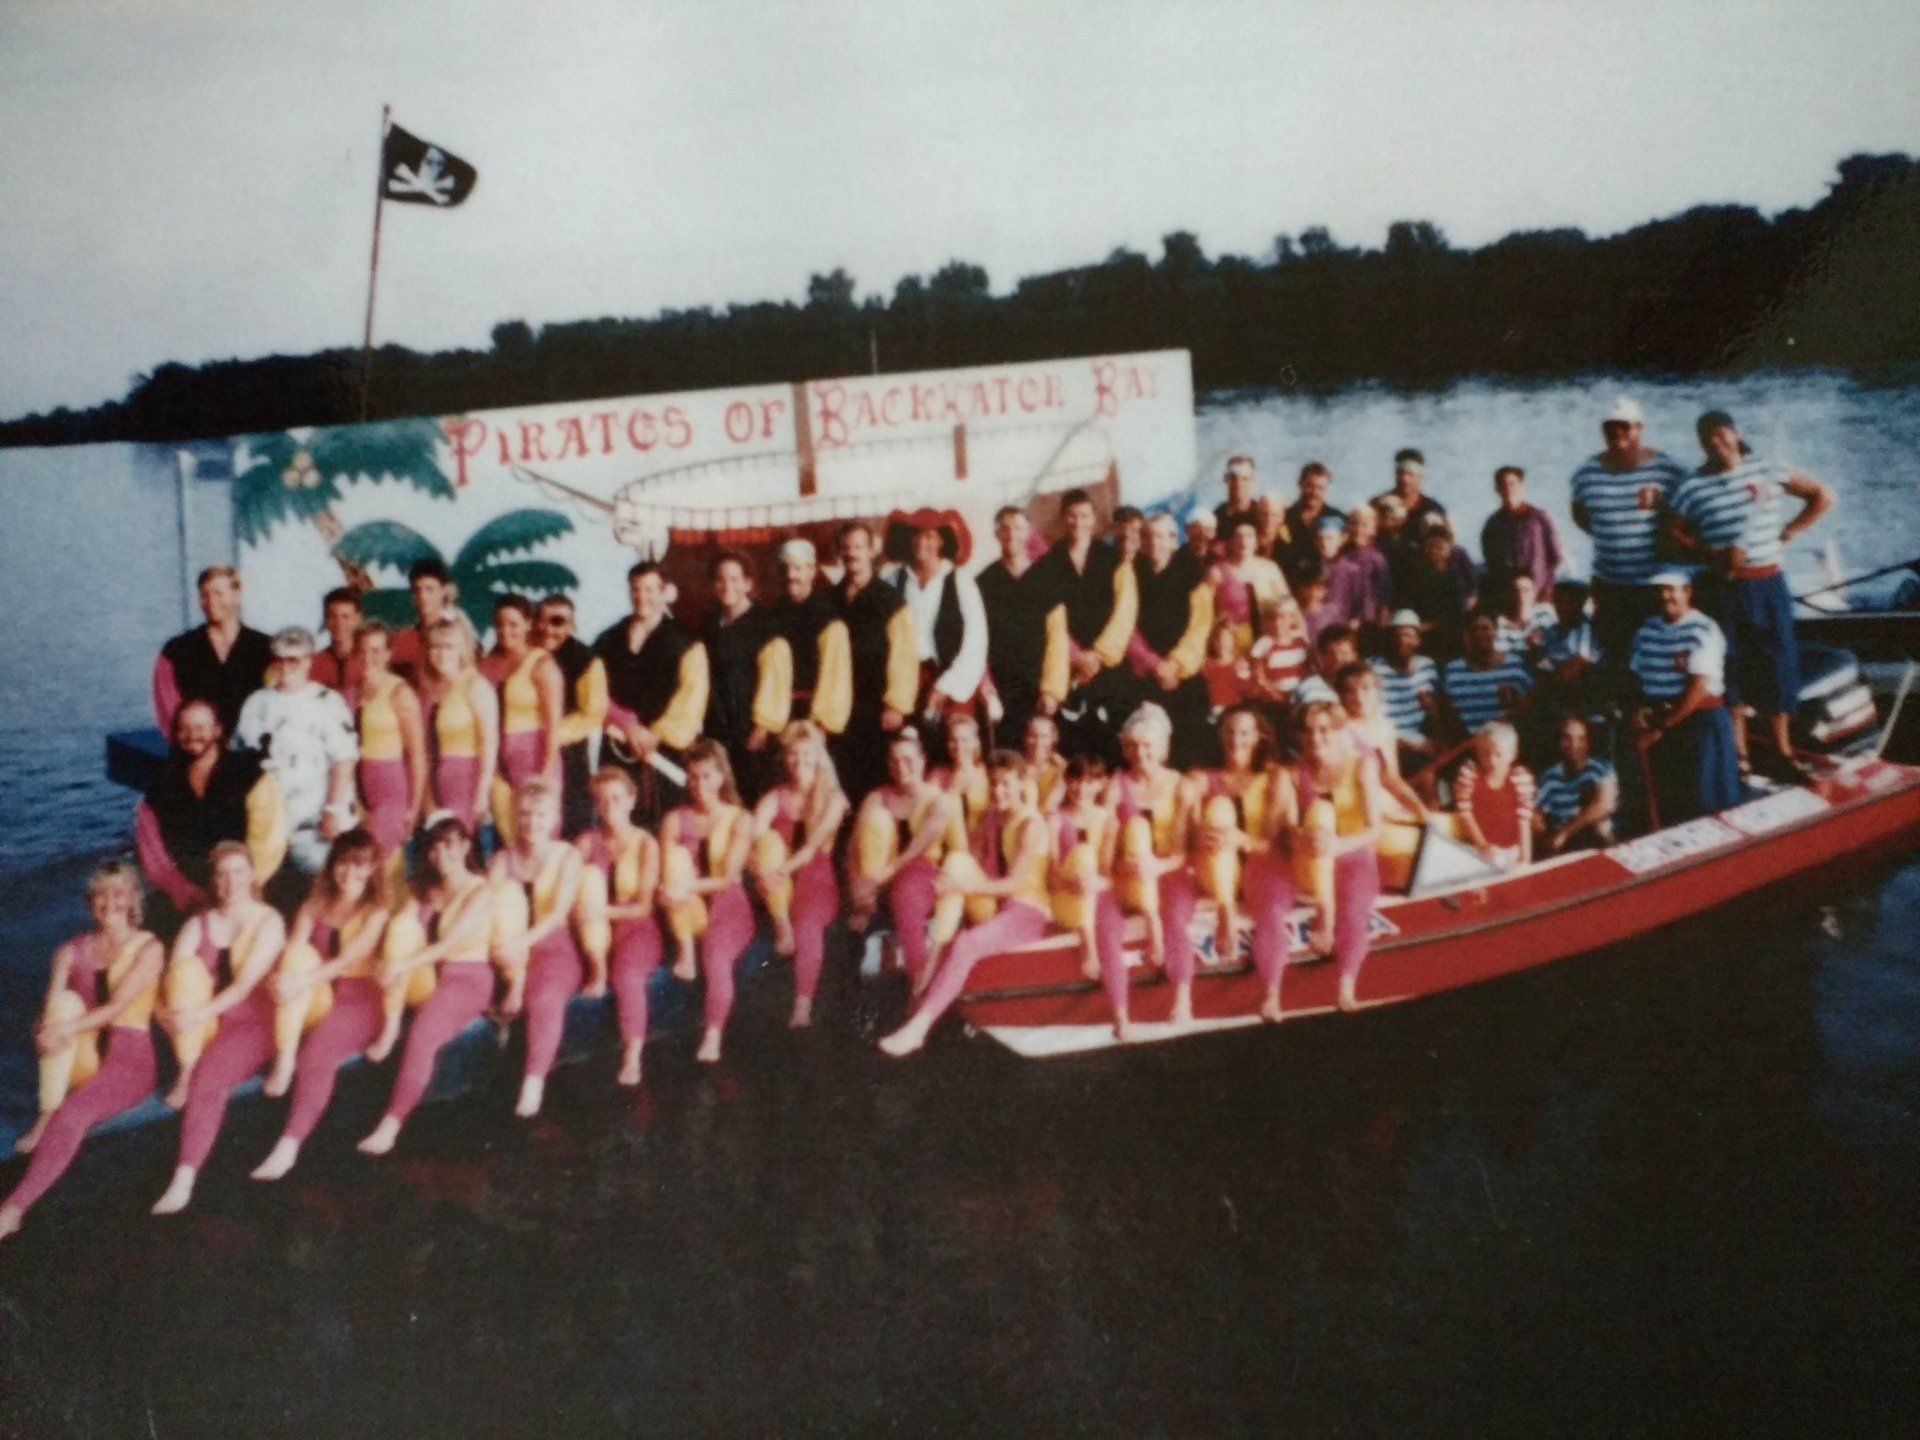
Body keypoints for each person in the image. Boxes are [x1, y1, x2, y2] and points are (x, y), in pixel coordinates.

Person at [0, 862, 165, 1241]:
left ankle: (13, 1208)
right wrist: (42, 1032)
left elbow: (118, 1007)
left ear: (133, 899)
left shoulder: (149, 948)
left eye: (118, 893)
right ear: (90, 902)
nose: (110, 902)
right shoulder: (70, 950)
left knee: (74, 1114)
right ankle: (46, 1113)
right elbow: (48, 1010)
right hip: (83, 1056)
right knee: (62, 1005)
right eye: (101, 894)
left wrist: (62, 1030)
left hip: (130, 1060)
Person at [1668, 410, 1835, 777]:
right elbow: (1672, 532)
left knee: (1778, 663)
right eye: (1706, 437)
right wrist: (1709, 552)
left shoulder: (1768, 468)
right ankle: (1740, 755)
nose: (1716, 442)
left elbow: (1822, 496)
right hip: (1722, 587)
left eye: (1720, 433)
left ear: (1735, 433)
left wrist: (1789, 532)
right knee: (1730, 668)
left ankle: (1782, 750)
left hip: (1768, 582)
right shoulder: (1692, 486)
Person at [878, 751, 1057, 1057]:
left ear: (1020, 786)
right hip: (995, 904)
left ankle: (919, 1026)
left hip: (1027, 911)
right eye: (993, 784)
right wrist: (950, 883)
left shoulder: (1031, 825)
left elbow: (1014, 883)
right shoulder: (990, 817)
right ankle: (934, 955)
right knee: (957, 860)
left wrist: (964, 887)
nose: (997, 791)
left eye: (1005, 785)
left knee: (966, 944)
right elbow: (969, 863)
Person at [150, 842, 289, 1214]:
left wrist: (195, 1017)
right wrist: (167, 1015)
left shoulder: (269, 920)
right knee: (183, 976)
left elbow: (244, 987)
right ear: (213, 880)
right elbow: (174, 979)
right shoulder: (199, 923)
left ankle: (184, 1178)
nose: (231, 881)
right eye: (222, 874)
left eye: (239, 872)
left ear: (253, 875)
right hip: (207, 1021)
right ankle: (184, 1068)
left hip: (253, 1022)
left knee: (210, 1078)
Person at [248, 831, 392, 1181]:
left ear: (373, 869)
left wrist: (299, 982)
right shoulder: (315, 903)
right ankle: (283, 1062)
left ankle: (288, 1147)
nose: (349, 872)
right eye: (343, 862)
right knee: (291, 962)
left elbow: (349, 958)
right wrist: (283, 978)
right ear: (332, 864)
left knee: (317, 1055)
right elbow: (294, 950)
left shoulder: (377, 910)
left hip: (358, 998)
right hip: (317, 991)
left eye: (360, 865)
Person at [358, 815, 504, 1156]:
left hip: (465, 977)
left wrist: (401, 965)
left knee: (423, 1034)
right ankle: (390, 1025)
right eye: (434, 847)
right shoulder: (421, 888)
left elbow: (451, 942)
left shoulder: (481, 890)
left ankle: (390, 1125)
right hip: (421, 975)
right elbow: (401, 932)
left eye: (449, 845)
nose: (441, 855)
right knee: (400, 926)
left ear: (466, 847)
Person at [488, 779, 589, 1117]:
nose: (533, 822)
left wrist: (522, 944)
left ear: (554, 818)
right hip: (507, 952)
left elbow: (559, 913)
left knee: (544, 999)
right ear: (516, 818)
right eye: (526, 814)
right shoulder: (502, 859)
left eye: (541, 815)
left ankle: (533, 1084)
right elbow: (489, 911)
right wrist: (508, 952)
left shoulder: (567, 855)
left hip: (552, 947)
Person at [1569, 396, 1693, 669]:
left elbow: (1694, 505)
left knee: (1655, 651)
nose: (1618, 434)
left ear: (1639, 428)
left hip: (1653, 584)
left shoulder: (1669, 469)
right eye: (1611, 428)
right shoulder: (1586, 473)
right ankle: (1619, 707)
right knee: (1614, 651)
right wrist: (1612, 534)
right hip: (1609, 581)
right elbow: (1580, 515)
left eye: (1625, 427)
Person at [134, 698, 287, 918]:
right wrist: (185, 893)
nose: (191, 735)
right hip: (188, 896)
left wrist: (246, 886)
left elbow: (268, 840)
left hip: (249, 888)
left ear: (217, 730)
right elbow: (152, 849)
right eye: (183, 728)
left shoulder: (249, 774)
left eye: (200, 727)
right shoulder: (162, 786)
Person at [233, 626, 359, 884]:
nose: (286, 666)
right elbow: (239, 756)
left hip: (316, 820)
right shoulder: (256, 703)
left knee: (322, 884)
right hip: (272, 820)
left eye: (294, 659)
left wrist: (332, 811)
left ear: (309, 661)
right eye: (279, 659)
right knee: (268, 886)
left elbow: (344, 758)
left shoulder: (326, 701)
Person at [658, 740, 754, 1064]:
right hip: (687, 909)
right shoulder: (675, 819)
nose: (700, 785)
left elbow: (728, 878)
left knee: (716, 958)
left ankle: (713, 1035)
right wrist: (670, 890)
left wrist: (685, 887)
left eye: (707, 776)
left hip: (728, 906)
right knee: (674, 859)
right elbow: (666, 871)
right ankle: (686, 951)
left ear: (721, 777)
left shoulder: (740, 818)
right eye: (694, 777)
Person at [593, 561, 710, 822]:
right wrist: (625, 726)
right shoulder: (607, 640)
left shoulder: (686, 642)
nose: (642, 597)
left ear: (664, 591)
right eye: (636, 589)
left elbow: (692, 696)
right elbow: (595, 691)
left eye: (650, 589)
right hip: (618, 746)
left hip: (664, 752)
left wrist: (654, 734)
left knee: (668, 822)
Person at [846, 727, 962, 991]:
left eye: (908, 759)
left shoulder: (939, 800)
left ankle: (918, 980)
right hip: (877, 875)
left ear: (922, 761)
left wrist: (885, 875)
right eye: (895, 760)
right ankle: (867, 907)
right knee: (875, 819)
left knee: (905, 896)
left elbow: (930, 842)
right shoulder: (878, 796)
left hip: (920, 870)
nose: (902, 766)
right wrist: (857, 888)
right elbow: (853, 848)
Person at [749, 722, 848, 1029]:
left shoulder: (833, 797)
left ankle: (802, 1002)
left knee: (808, 923)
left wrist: (778, 871)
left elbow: (811, 848)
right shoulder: (775, 797)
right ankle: (782, 929)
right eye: (792, 755)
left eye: (806, 754)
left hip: (815, 879)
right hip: (776, 884)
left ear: (818, 756)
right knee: (766, 843)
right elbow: (748, 840)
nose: (798, 761)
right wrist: (760, 870)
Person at [1188, 707, 1294, 987]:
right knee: (1219, 809)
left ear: (1259, 737)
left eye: (1245, 732)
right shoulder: (1202, 778)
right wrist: (1198, 831)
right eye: (1230, 732)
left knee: (1272, 911)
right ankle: (1227, 913)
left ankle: (1271, 992)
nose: (1237, 739)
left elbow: (1276, 846)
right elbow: (1186, 826)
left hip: (1262, 866)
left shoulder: (1275, 778)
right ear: (1220, 736)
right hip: (1215, 872)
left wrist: (1240, 840)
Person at [1289, 700, 1384, 1012]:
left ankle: (1345, 987)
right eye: (1308, 731)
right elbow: (1287, 828)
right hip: (1312, 860)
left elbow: (1374, 829)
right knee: (1319, 817)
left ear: (1338, 730)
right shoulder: (1296, 771)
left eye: (1323, 730)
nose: (1315, 737)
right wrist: (1306, 838)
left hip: (1353, 856)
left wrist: (1338, 846)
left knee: (1354, 911)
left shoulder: (1362, 765)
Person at [1108, 704, 1200, 1025]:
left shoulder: (1180, 785)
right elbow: (1105, 840)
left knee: (1174, 914)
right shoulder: (1116, 785)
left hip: (1170, 872)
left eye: (1148, 745)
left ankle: (1182, 997)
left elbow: (1185, 850)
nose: (1140, 753)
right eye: (1133, 746)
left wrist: (1156, 869)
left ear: (1162, 748)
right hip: (1129, 874)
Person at [1629, 570, 1741, 825]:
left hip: (1699, 722)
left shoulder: (1704, 629)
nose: (1664, 596)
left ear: (1687, 592)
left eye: (1670, 589)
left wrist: (1660, 728)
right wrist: (1638, 710)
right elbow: (1635, 675)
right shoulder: (1647, 629)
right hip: (1661, 721)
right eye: (1659, 590)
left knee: (1707, 802)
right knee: (1670, 800)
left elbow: (1698, 687)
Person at [1032, 489, 1139, 758]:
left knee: (1114, 746)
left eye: (1084, 515)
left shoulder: (1114, 561)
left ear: (1094, 520)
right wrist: (1077, 656)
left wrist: (1099, 655)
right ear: (1062, 520)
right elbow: (1050, 621)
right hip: (1068, 669)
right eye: (1071, 515)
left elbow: (1125, 612)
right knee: (1074, 746)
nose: (1078, 522)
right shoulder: (1047, 566)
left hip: (1109, 667)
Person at [575, 766, 663, 1086]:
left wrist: (601, 911)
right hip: (591, 931)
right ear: (596, 807)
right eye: (602, 801)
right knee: (586, 878)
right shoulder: (587, 841)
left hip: (635, 929)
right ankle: (596, 971)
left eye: (616, 799)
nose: (610, 807)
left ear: (631, 800)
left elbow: (643, 907)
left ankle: (632, 1057)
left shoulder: (645, 844)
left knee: (627, 976)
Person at [1047, 754, 1134, 1040]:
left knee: (1110, 936)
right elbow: (1052, 873)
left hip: (1098, 892)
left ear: (1100, 785)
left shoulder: (1108, 821)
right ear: (1067, 781)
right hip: (1065, 894)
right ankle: (1088, 946)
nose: (1081, 789)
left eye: (1090, 782)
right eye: (1075, 780)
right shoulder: (1055, 819)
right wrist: (1073, 883)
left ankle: (1121, 1018)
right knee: (1082, 858)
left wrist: (1092, 884)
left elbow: (1108, 873)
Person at [833, 522, 919, 798]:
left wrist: (896, 704)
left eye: (858, 547)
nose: (851, 554)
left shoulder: (890, 600)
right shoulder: (831, 599)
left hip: (879, 709)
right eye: (846, 547)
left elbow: (905, 656)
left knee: (879, 783)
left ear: (872, 550)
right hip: (842, 707)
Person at [883, 512, 990, 734]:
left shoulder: (960, 581)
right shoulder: (893, 581)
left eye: (930, 536)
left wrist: (944, 687)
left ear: (941, 541)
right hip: (904, 680)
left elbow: (976, 641)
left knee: (955, 737)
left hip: (951, 677)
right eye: (917, 536)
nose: (923, 543)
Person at [1127, 511, 1214, 767]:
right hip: (1143, 676)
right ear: (1141, 541)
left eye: (1161, 537)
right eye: (1148, 537)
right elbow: (1126, 625)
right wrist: (1154, 664)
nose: (1155, 543)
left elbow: (1200, 628)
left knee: (1189, 754)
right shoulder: (1129, 574)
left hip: (1183, 679)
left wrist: (1174, 664)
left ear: (1174, 541)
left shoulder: (1193, 574)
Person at [1335, 662, 1430, 890]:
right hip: (1356, 809)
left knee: (1438, 826)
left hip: (1386, 803)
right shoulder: (1340, 732)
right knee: (1408, 843)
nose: (1359, 697)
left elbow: (1392, 778)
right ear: (1340, 696)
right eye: (1350, 691)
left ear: (1378, 692)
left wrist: (1419, 809)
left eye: (1366, 689)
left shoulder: (1385, 727)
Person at [698, 552, 785, 800]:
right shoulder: (709, 625)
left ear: (748, 584)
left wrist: (763, 725)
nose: (727, 586)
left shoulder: (765, 626)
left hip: (752, 732)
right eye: (721, 579)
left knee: (752, 794)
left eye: (735, 579)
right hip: (718, 727)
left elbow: (775, 679)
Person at [152, 565, 274, 737]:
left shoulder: (265, 648)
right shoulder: (177, 650)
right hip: (197, 750)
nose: (211, 601)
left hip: (252, 752)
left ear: (236, 596)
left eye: (218, 593)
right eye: (204, 595)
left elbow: (278, 700)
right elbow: (168, 708)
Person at [484, 594, 565, 842]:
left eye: (513, 624)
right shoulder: (488, 665)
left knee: (539, 835)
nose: (505, 630)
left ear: (529, 624)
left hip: (535, 759)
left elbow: (553, 726)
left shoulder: (542, 664)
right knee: (510, 838)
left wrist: (545, 773)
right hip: (501, 765)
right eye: (500, 623)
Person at [349, 622, 428, 867]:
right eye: (362, 651)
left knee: (369, 860)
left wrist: (414, 807)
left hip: (391, 790)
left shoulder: (399, 692)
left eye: (376, 651)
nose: (368, 658)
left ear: (388, 653)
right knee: (381, 867)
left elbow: (417, 753)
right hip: (357, 791)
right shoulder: (351, 692)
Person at [975, 506, 1051, 750]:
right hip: (1002, 685)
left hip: (1040, 682)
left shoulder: (1046, 577)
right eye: (1004, 528)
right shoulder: (984, 582)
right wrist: (987, 687)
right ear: (996, 535)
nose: (1011, 534)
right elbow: (978, 640)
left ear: (1028, 532)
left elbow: (1058, 636)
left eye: (1018, 527)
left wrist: (1052, 687)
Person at [417, 616, 499, 839]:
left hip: (467, 778)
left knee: (456, 843)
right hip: (438, 778)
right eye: (435, 647)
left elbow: (489, 743)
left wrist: (482, 794)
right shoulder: (430, 690)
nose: (441, 653)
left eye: (448, 647)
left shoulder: (475, 685)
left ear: (462, 648)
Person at [535, 594, 609, 836]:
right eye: (541, 619)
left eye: (557, 622)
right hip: (524, 750)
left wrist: (550, 736)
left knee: (572, 826)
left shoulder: (586, 660)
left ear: (571, 625)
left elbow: (591, 714)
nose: (547, 628)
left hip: (569, 755)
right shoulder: (522, 651)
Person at [1450, 722, 1536, 870]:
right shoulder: (1470, 774)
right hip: (1478, 850)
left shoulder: (1520, 779)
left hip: (1512, 852)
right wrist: (1482, 845)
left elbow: (1524, 822)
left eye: (1498, 754)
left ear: (1513, 754)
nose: (1491, 760)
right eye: (1485, 753)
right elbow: (1465, 812)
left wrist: (1525, 860)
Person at [1439, 613, 1534, 739]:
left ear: (1495, 632)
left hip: (1505, 744)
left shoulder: (1514, 665)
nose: (1479, 634)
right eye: (1474, 630)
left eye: (1485, 628)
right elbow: (1446, 714)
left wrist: (1513, 707)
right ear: (1466, 636)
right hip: (1466, 743)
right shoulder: (1453, 670)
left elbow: (1530, 707)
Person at [1534, 715, 1619, 854]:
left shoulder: (1601, 768)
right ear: (1559, 741)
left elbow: (1604, 805)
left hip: (1598, 843)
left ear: (1587, 742)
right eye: (1567, 738)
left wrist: (1565, 832)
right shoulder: (1549, 776)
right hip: (1564, 849)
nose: (1574, 745)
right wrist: (1545, 835)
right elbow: (1536, 816)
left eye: (1580, 738)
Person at [1395, 517, 1478, 660]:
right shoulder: (1416, 576)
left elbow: (1457, 613)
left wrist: (1431, 625)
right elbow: (1407, 604)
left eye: (1439, 546)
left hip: (1450, 636)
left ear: (1448, 549)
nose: (1434, 550)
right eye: (1430, 546)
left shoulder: (1453, 578)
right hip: (1422, 636)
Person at [1479, 466, 1563, 605]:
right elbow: (1491, 561)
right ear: (1496, 489)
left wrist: (1546, 590)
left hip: (1539, 594)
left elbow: (1555, 556)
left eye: (1512, 483)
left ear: (1522, 486)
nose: (1508, 488)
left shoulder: (1539, 518)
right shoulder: (1493, 524)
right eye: (1503, 484)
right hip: (1507, 596)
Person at [1370, 612, 1441, 772]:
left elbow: (1435, 712)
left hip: (1420, 738)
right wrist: (1413, 745)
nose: (1402, 640)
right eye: (1397, 635)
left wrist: (1432, 710)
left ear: (1418, 640)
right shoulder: (1373, 669)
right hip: (1387, 741)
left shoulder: (1427, 666)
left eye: (1409, 635)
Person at [1210, 516, 1290, 656]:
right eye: (1238, 536)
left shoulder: (1270, 568)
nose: (1243, 541)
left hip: (1269, 641)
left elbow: (1288, 605)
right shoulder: (1217, 572)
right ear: (1230, 541)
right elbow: (1207, 613)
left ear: (1256, 541)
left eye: (1249, 536)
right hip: (1232, 644)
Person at [387, 558, 475, 682]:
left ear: (443, 591)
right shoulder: (402, 641)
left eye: (429, 589)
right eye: (418, 590)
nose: (423, 596)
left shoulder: (460, 635)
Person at [1531, 580, 1603, 721]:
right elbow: (1541, 665)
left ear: (1579, 603)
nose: (1561, 607)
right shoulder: (1550, 631)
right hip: (1555, 701)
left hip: (1583, 702)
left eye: (1567, 601)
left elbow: (1575, 666)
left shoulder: (1588, 628)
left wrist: (1545, 670)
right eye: (1558, 601)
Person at [1371, 449, 1447, 570]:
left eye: (1410, 474)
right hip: (1385, 569)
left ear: (1421, 477)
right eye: (1401, 473)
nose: (1405, 479)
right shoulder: (1377, 505)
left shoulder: (1433, 509)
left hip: (1420, 571)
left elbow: (1444, 545)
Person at [1327, 502, 1393, 632]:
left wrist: (1381, 624)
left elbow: (1385, 597)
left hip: (1367, 623)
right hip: (1339, 618)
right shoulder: (1341, 555)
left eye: (1364, 525)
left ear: (1374, 529)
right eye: (1354, 523)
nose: (1358, 530)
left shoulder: (1376, 559)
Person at [1279, 462, 1344, 586]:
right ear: (1300, 484)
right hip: (1292, 584)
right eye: (1310, 486)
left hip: (1328, 586)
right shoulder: (1285, 517)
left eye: (1320, 488)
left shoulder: (1338, 518)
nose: (1314, 492)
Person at [1248, 597, 1312, 717]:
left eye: (1282, 618)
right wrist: (1280, 698)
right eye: (1272, 618)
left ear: (1291, 619)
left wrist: (1300, 694)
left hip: (1301, 699)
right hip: (1274, 703)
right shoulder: (1263, 645)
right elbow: (1259, 679)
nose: (1277, 623)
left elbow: (1308, 669)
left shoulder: (1300, 641)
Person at [309, 587, 364, 696]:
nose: (339, 624)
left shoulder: (368, 659)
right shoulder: (315, 663)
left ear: (357, 619)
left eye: (345, 617)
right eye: (333, 617)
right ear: (325, 620)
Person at [1491, 573, 1557, 660]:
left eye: (1526, 590)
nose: (1520, 596)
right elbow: (1503, 658)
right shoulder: (1499, 625)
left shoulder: (1545, 612)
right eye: (1515, 591)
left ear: (1534, 593)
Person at [1022, 711, 1066, 812]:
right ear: (1025, 738)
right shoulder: (1016, 767)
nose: (1038, 742)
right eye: (1033, 736)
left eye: (1044, 737)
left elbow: (1050, 806)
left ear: (1053, 739)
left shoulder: (1059, 769)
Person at [1214, 455, 1260, 538]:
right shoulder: (1217, 517)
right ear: (1225, 479)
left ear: (1252, 480)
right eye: (1233, 478)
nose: (1238, 484)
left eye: (1244, 479)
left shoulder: (1261, 516)